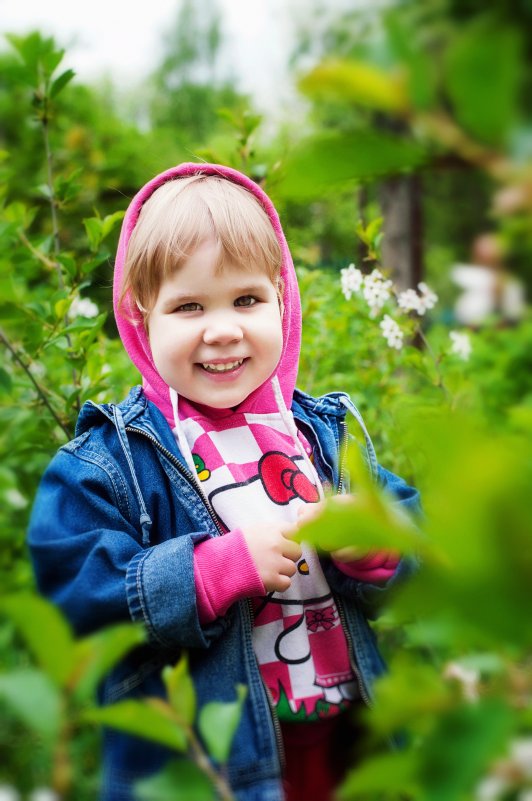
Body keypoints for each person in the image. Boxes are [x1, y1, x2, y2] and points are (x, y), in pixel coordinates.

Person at [28, 163, 420, 801]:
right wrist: (210, 573)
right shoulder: (111, 463)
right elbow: (74, 598)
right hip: (209, 768)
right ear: (139, 317)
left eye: (246, 300)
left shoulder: (322, 435)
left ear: (280, 301)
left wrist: (378, 547)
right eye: (188, 306)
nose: (223, 329)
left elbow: (422, 545)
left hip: (351, 738)